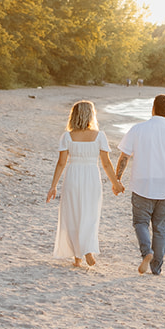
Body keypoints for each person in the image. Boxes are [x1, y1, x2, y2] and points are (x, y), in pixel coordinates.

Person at [115, 94, 165, 276]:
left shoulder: (138, 129)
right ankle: (156, 268)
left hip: (142, 185)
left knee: (140, 222)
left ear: (153, 108)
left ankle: (146, 252)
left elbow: (124, 157)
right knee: (160, 227)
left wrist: (117, 179)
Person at [46, 100, 123, 267]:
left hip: (73, 175)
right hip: (91, 176)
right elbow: (106, 163)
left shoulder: (67, 136)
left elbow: (61, 163)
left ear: (73, 115)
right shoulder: (99, 135)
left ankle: (78, 257)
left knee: (73, 214)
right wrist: (115, 183)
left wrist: (53, 186)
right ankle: (87, 249)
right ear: (91, 115)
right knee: (90, 214)